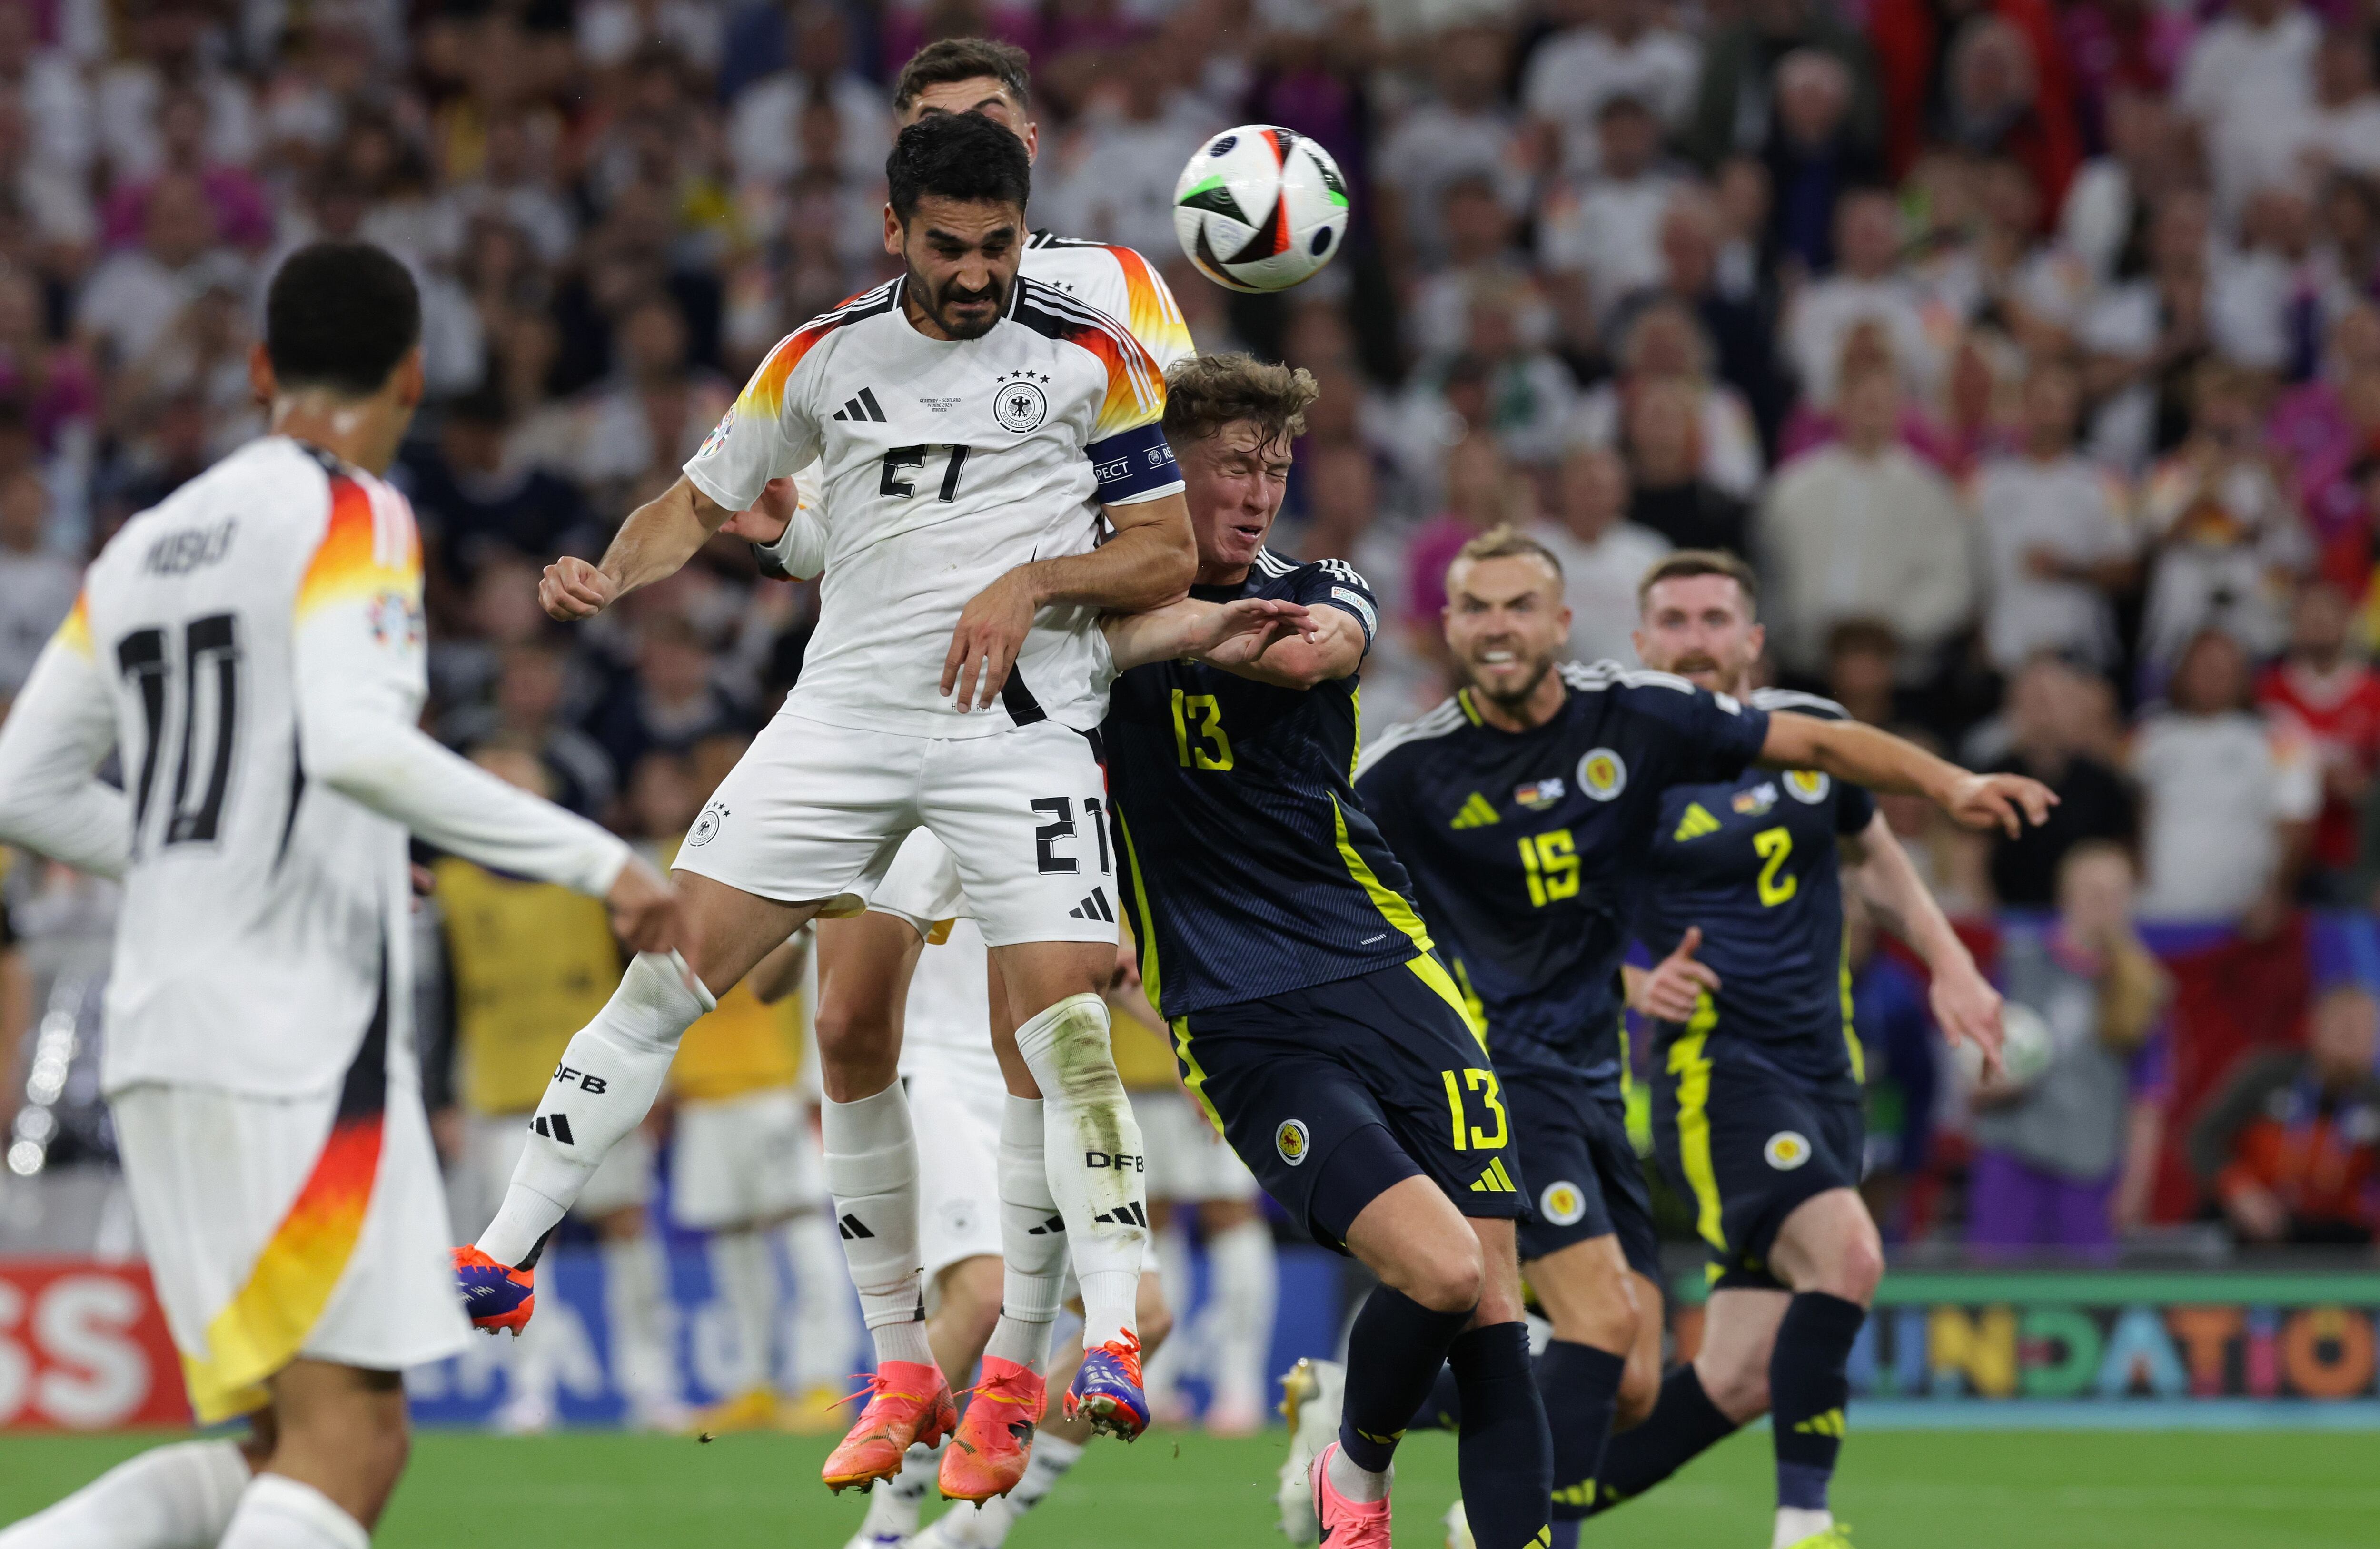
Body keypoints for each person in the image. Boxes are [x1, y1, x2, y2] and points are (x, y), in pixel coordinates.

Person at [458, 105, 1302, 1500]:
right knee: (676, 969)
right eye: (952, 247)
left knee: (1065, 1025)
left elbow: (1160, 552)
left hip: (1008, 729)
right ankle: (506, 1242)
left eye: (999, 245)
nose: (977, 273)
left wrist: (1030, 581)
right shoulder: (820, 357)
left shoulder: (1090, 356)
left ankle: (1103, 1336)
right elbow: (697, 498)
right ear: (893, 232)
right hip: (839, 723)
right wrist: (612, 575)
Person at [0, 241, 684, 1549]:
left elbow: (23, 784)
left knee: (273, 1443)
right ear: (414, 376)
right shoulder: (354, 510)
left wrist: (214, 857)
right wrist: (602, 859)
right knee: (350, 1440)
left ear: (260, 369)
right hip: (288, 1042)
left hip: (163, 1029)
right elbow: (358, 743)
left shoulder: (144, 541)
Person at [732, 36, 1205, 1503]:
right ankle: (909, 1473)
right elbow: (822, 540)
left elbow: (1166, 526)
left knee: (1125, 1297)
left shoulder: (1120, 305)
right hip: (902, 751)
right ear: (897, 184)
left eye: (985, 132)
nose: (964, 156)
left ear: (1029, 145)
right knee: (873, 1042)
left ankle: (929, 1515)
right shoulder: (849, 346)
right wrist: (783, 532)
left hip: (1038, 745)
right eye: (934, 139)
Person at [1348, 537, 2033, 1549]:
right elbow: (1496, 898)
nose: (1695, 640)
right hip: (1653, 1071)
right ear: (1635, 637)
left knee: (1663, 1378)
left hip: (1733, 1073)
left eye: (1714, 621)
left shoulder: (1716, 733)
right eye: (1673, 622)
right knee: (1822, 1262)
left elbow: (1866, 841)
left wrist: (1951, 938)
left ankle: (1382, 1409)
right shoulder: (1528, 760)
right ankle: (1796, 1522)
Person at [432, 743, 683, 1434]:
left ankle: (652, 1382)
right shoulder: (453, 883)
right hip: (502, 1091)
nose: (501, 792)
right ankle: (529, 1390)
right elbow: (442, 996)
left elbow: (641, 979)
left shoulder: (592, 871)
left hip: (596, 1088)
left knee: (627, 1229)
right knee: (514, 1248)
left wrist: (658, 1084)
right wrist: (442, 1096)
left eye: (514, 777)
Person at [1968, 841, 2171, 1258]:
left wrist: (2134, 1187)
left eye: (2116, 895)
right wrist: (1993, 1085)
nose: (2104, 906)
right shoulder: (2019, 963)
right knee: (1997, 1304)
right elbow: (1973, 1065)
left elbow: (2147, 1101)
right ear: (2067, 896)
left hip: (2088, 1175)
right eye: (2093, 893)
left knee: (2084, 1309)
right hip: (2014, 1164)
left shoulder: (2142, 987)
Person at [2190, 982, 2380, 1247]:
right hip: (2249, 1224)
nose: (2353, 1040)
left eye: (2364, 1031)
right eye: (2344, 1029)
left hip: (2333, 1235)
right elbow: (2203, 1137)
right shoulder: (2266, 1075)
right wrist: (2239, 1190)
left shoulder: (2374, 1098)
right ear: (2316, 1029)